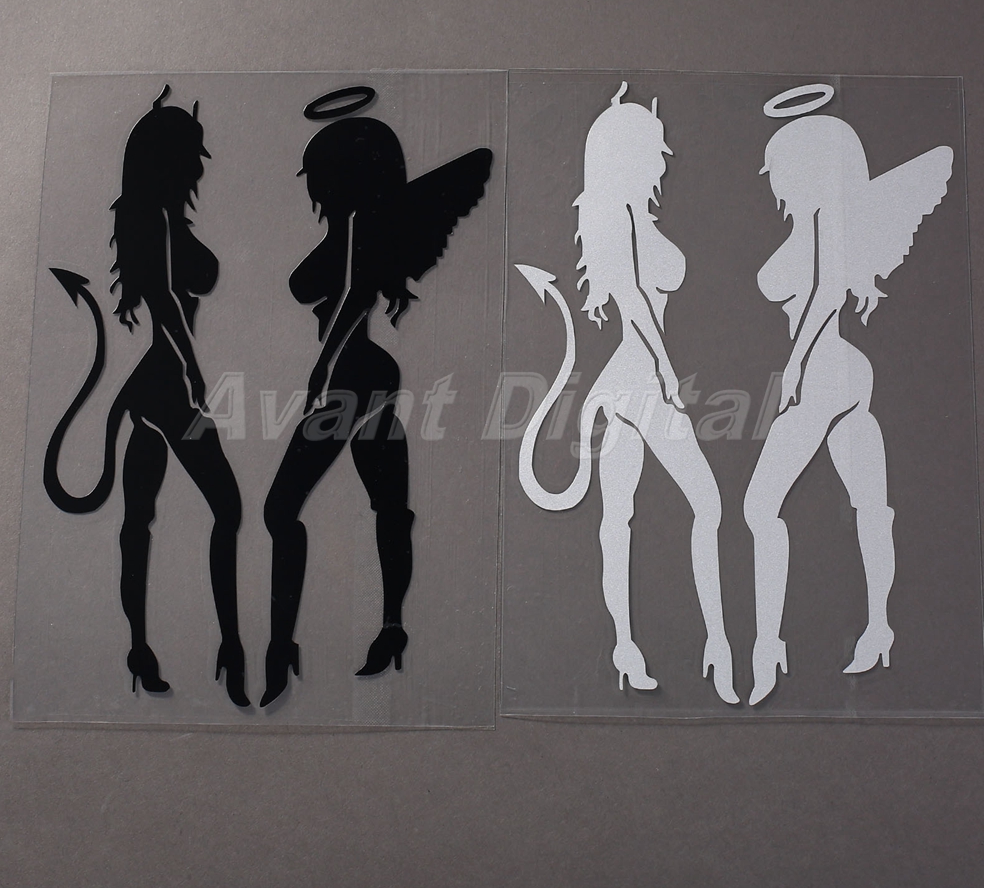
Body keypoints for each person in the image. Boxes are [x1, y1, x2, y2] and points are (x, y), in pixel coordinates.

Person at [259, 88, 492, 707]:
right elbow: (327, 285)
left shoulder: (362, 226)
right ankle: (390, 628)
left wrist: (322, 367)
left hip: (352, 376)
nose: (312, 188)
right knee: (388, 505)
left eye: (318, 175)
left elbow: (352, 298)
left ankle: (284, 646)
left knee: (283, 510)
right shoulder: (357, 229)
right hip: (370, 375)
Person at [517, 82, 737, 704]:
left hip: (627, 377)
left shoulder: (634, 214)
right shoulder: (610, 214)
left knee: (621, 516)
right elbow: (633, 300)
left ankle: (630, 647)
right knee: (704, 506)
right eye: (652, 151)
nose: (661, 162)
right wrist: (665, 370)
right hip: (640, 376)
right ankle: (715, 645)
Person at [44, 86, 248, 705]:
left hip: (150, 385)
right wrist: (192, 371)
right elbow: (163, 299)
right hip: (168, 384)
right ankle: (230, 647)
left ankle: (140, 647)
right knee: (226, 508)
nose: (198, 169)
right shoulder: (152, 218)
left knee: (140, 517)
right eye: (190, 157)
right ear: (170, 160)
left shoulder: (149, 216)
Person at [743, 110, 953, 705]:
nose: (773, 178)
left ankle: (768, 647)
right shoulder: (823, 221)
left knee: (760, 508)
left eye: (779, 166)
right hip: (846, 371)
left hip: (824, 371)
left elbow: (827, 292)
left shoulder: (823, 218)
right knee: (870, 505)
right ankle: (880, 628)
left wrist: (795, 366)